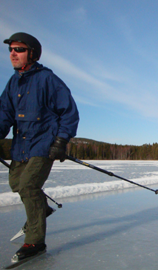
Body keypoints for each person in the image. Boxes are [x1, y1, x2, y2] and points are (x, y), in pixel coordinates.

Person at [0, 32, 79, 260]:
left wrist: (61, 141)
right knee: (16, 183)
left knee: (28, 186)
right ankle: (42, 209)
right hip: (21, 145)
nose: (13, 53)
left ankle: (35, 242)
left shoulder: (48, 79)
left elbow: (69, 112)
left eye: (19, 49)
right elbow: (4, 114)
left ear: (32, 53)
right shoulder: (13, 82)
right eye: (11, 49)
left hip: (44, 144)